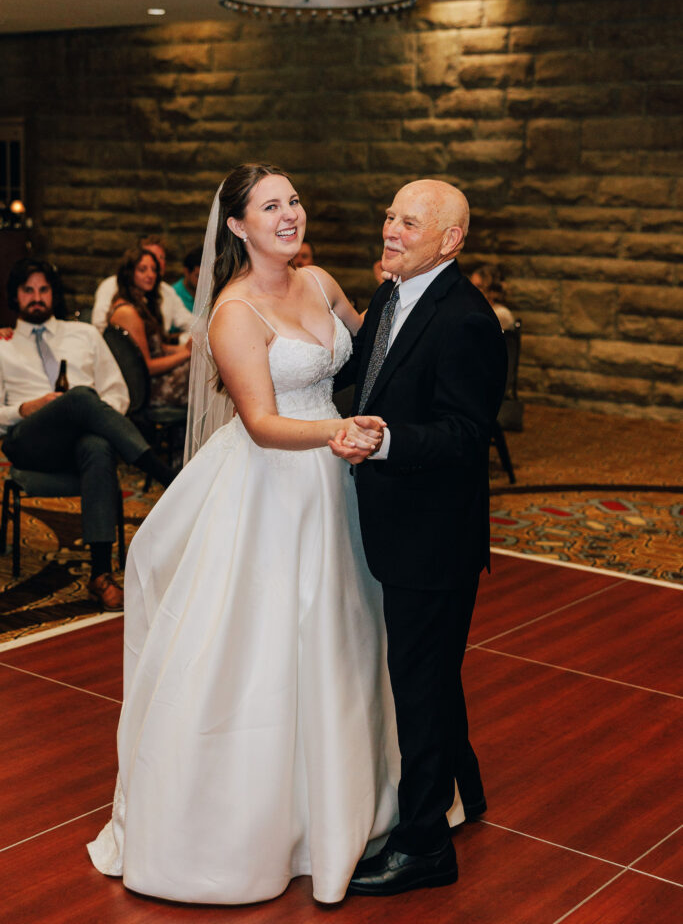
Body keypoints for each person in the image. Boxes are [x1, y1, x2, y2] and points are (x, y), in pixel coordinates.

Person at [88, 164, 466, 904]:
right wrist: (345, 429)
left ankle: (350, 803)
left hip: (340, 486)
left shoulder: (321, 282)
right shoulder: (230, 313)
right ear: (236, 226)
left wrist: (413, 308)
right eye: (270, 206)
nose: (289, 214)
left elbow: (378, 356)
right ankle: (248, 826)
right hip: (274, 485)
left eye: (293, 199)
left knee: (346, 640)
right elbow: (261, 423)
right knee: (263, 647)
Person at [331, 179, 508, 896]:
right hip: (391, 523)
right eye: (388, 216)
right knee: (430, 673)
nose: (390, 230)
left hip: (432, 538)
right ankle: (464, 789)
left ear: (450, 240)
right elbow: (358, 378)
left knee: (419, 684)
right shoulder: (389, 294)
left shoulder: (467, 320)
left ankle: (425, 845)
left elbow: (466, 437)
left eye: (408, 221)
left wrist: (382, 444)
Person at [0, 259, 177, 612]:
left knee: (95, 443)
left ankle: (100, 574)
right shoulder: (1, 345)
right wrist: (27, 408)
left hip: (81, 442)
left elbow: (118, 393)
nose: (37, 297)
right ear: (15, 297)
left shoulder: (84, 334)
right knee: (80, 396)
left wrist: (91, 419)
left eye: (44, 289)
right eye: (28, 291)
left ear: (54, 294)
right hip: (28, 441)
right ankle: (164, 475)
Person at [108, 246, 191, 407]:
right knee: (204, 372)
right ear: (129, 272)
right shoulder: (127, 312)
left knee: (205, 361)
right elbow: (147, 366)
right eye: (143, 270)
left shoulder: (140, 304)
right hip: (150, 390)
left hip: (155, 380)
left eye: (153, 270)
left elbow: (158, 348)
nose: (150, 275)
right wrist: (186, 354)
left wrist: (188, 348)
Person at [91, 236, 193, 337]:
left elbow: (188, 321)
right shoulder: (111, 286)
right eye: (152, 256)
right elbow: (100, 325)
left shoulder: (166, 291)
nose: (156, 261)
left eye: (161, 257)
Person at [470, 262, 515, 330]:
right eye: (470, 285)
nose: (471, 290)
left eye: (479, 286)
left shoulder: (500, 314)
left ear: (492, 290)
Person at [173, 245, 203, 312]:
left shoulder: (210, 293)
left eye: (206, 278)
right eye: (198, 276)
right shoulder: (173, 294)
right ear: (186, 272)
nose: (203, 282)